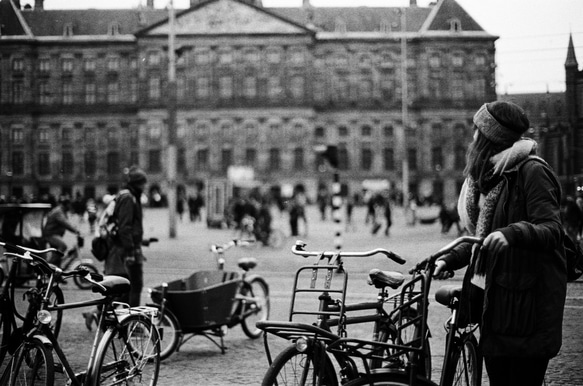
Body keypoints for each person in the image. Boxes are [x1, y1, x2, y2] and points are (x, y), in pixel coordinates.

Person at [433, 101, 567, 386]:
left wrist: (512, 233)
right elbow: (483, 239)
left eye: (476, 131)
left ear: (490, 137)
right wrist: (449, 258)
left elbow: (551, 229)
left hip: (527, 309)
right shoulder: (490, 177)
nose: (471, 138)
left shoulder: (531, 171)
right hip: (499, 306)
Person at [42, 197, 81, 267]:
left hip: (54, 234)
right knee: (62, 246)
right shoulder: (58, 211)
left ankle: (56, 273)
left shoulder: (62, 211)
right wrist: (75, 231)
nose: (70, 206)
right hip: (50, 234)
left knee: (57, 254)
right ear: (66, 204)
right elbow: (64, 222)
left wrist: (74, 228)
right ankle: (47, 266)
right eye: (69, 205)